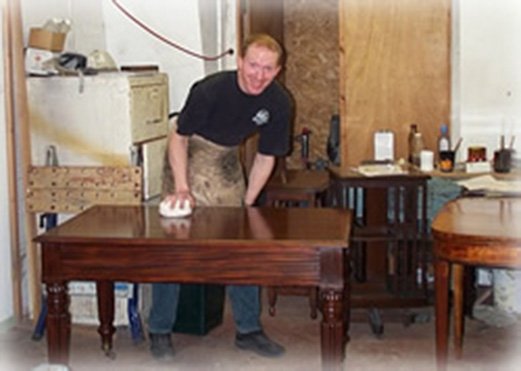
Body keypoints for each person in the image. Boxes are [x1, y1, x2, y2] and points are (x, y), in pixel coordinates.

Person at [148, 33, 293, 361]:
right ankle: (159, 330)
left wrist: (247, 204)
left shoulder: (279, 103)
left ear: (278, 70)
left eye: (267, 69)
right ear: (239, 62)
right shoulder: (209, 90)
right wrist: (182, 187)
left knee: (242, 246)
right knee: (173, 247)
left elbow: (266, 157)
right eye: (253, 65)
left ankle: (248, 330)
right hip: (187, 154)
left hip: (225, 159)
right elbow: (179, 139)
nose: (258, 75)